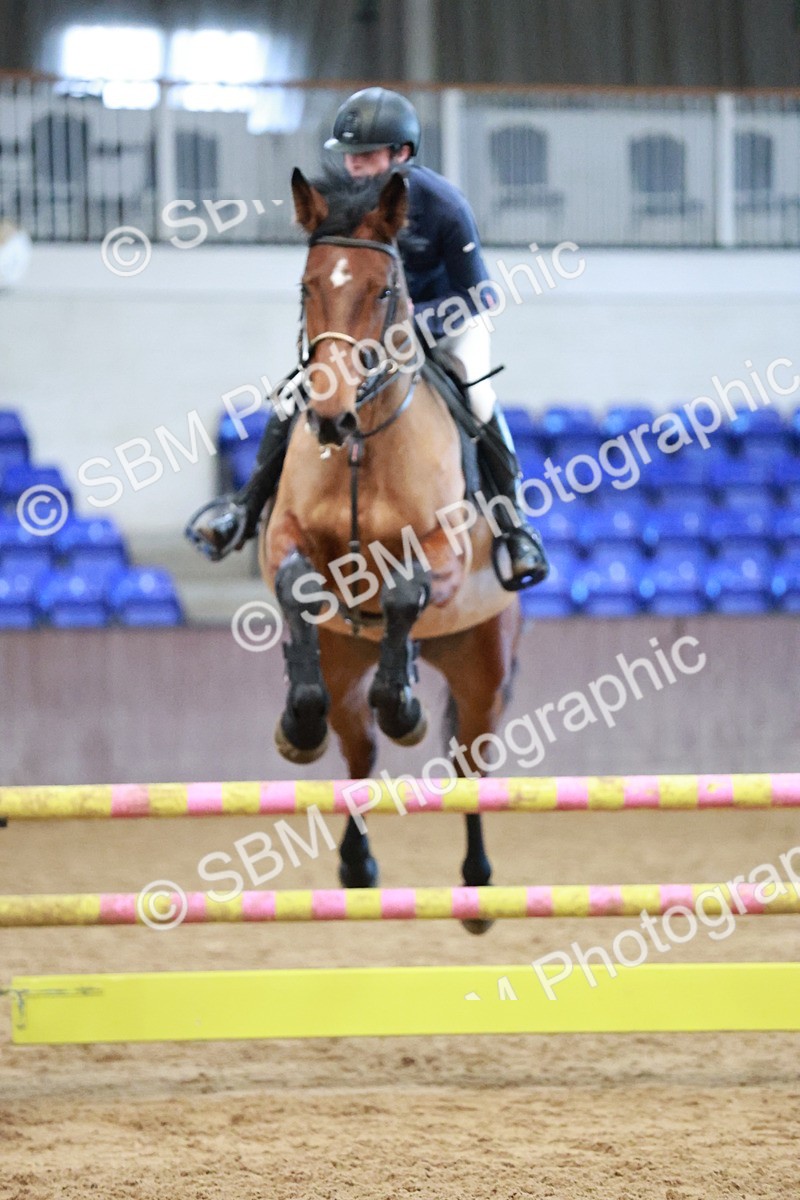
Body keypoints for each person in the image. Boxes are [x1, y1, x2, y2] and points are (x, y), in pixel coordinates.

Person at [187, 86, 548, 590]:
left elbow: (480, 294)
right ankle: (244, 509)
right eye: (349, 157)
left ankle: (515, 529)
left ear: (401, 154)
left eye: (366, 157)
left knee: (479, 397)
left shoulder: (443, 205)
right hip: (365, 330)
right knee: (297, 394)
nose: (354, 167)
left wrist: (416, 326)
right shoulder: (336, 208)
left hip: (445, 322)